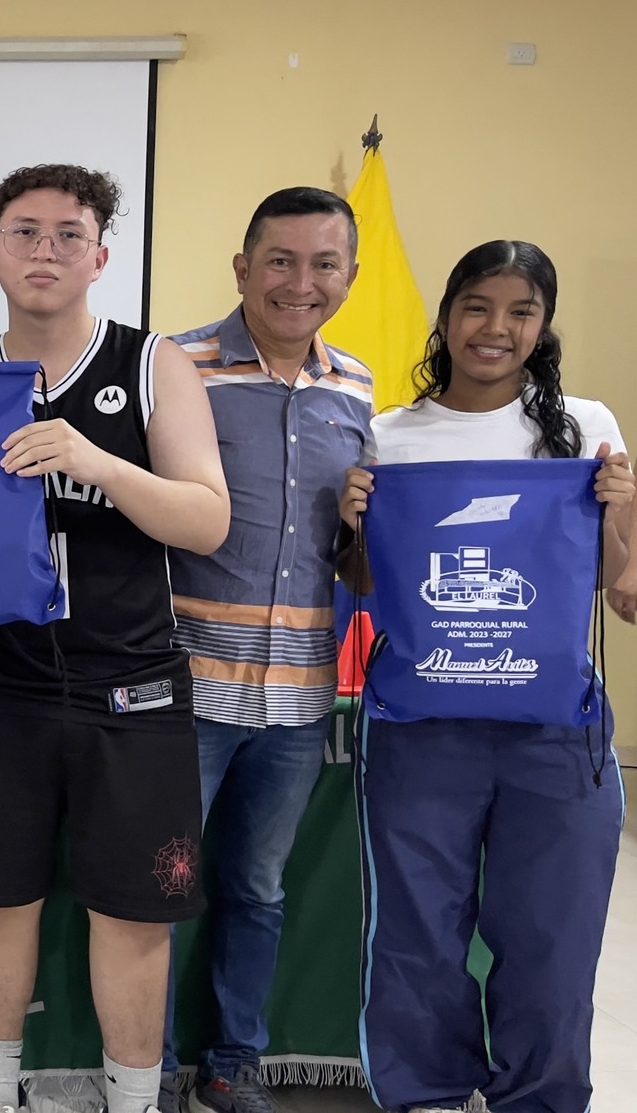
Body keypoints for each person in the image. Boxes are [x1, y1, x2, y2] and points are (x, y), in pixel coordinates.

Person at [0, 165, 229, 1113]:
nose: (45, 251)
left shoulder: (152, 364)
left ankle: (131, 1100)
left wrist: (97, 461)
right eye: (25, 232)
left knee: (134, 912)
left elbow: (207, 519)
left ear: (99, 257)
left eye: (68, 235)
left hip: (130, 682)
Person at [338, 240, 631, 1113]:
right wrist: (355, 524)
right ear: (446, 315)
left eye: (521, 312)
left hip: (555, 729)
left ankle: (541, 1098)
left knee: (553, 938)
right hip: (420, 727)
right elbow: (365, 584)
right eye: (476, 306)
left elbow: (622, 589)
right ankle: (427, 1094)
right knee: (417, 933)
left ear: (543, 327)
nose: (495, 328)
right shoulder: (389, 434)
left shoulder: (585, 428)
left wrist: (619, 513)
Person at [159, 188, 373, 1113]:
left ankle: (231, 1064)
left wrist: (367, 527)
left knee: (257, 887)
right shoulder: (177, 368)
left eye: (325, 263)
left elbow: (357, 558)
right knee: (162, 887)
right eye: (280, 260)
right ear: (243, 267)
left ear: (350, 276)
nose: (301, 282)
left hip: (298, 699)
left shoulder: (358, 388)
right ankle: (146, 1070)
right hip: (185, 687)